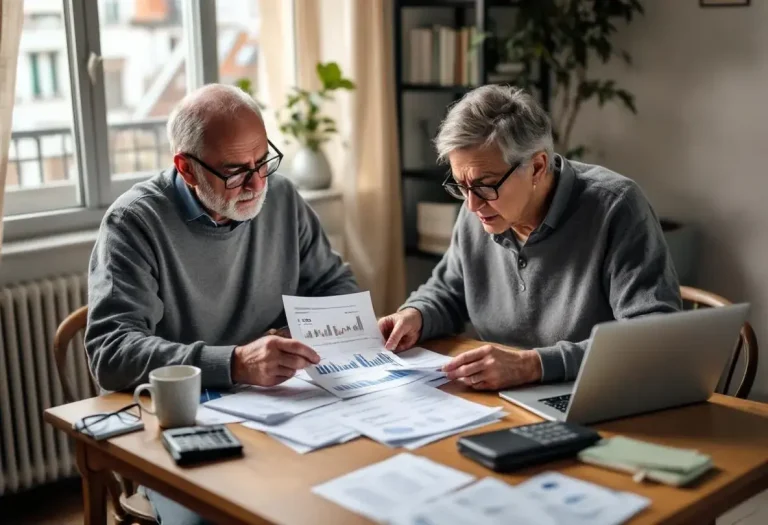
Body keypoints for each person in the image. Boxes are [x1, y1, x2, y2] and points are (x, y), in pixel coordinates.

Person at [85, 84, 359, 524]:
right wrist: (235, 362)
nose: (256, 183)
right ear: (186, 169)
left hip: (284, 409)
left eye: (263, 161)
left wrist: (304, 333)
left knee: (344, 491)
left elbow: (335, 284)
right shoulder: (134, 222)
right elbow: (111, 352)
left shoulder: (283, 199)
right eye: (235, 171)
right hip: (180, 424)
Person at [379, 85, 681, 391]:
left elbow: (651, 337)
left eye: (486, 185)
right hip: (506, 396)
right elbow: (449, 290)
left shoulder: (616, 206)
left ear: (537, 167)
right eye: (461, 186)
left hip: (597, 393)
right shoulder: (478, 209)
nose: (471, 205)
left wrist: (533, 366)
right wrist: (415, 314)